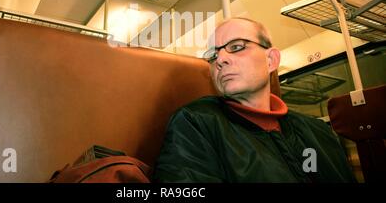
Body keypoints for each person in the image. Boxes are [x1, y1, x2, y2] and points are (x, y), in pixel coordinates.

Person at [153, 17, 356, 182]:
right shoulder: (196, 123)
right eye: (213, 56)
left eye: (236, 47)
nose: (221, 59)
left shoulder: (318, 131)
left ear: (271, 60)